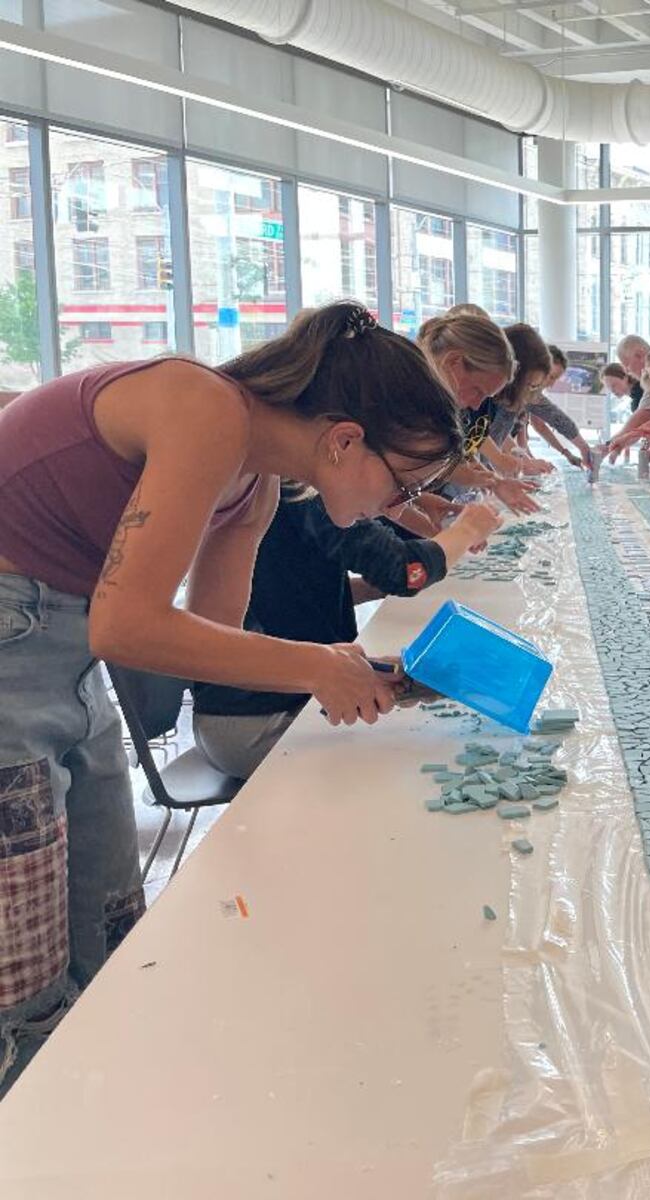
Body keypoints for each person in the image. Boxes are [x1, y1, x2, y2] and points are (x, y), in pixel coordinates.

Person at [0, 302, 464, 1092]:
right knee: (26, 982)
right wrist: (320, 665)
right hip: (19, 638)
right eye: (404, 482)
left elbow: (206, 638)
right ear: (346, 438)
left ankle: (98, 1115)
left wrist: (358, 666)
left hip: (66, 646)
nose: (399, 509)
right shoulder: (204, 407)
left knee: (110, 925)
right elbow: (128, 627)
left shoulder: (254, 480)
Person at [192, 488, 500, 778]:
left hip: (263, 704)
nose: (393, 507)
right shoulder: (301, 491)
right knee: (424, 756)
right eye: (402, 486)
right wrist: (466, 530)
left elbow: (286, 595)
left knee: (430, 732)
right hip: (253, 718)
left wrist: (355, 661)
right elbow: (406, 571)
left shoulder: (282, 488)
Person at [415, 307, 544, 513]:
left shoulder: (447, 404)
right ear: (453, 361)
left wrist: (494, 482)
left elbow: (455, 459)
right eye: (477, 391)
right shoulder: (408, 400)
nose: (476, 405)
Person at [500, 325, 592, 470]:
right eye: (550, 377)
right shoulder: (507, 391)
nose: (550, 384)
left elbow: (554, 419)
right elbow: (487, 432)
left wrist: (525, 460)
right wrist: (524, 462)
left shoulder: (525, 393)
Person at [616, 334, 650, 411]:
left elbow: (642, 415)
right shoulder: (647, 385)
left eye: (627, 364)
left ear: (640, 355)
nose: (627, 371)